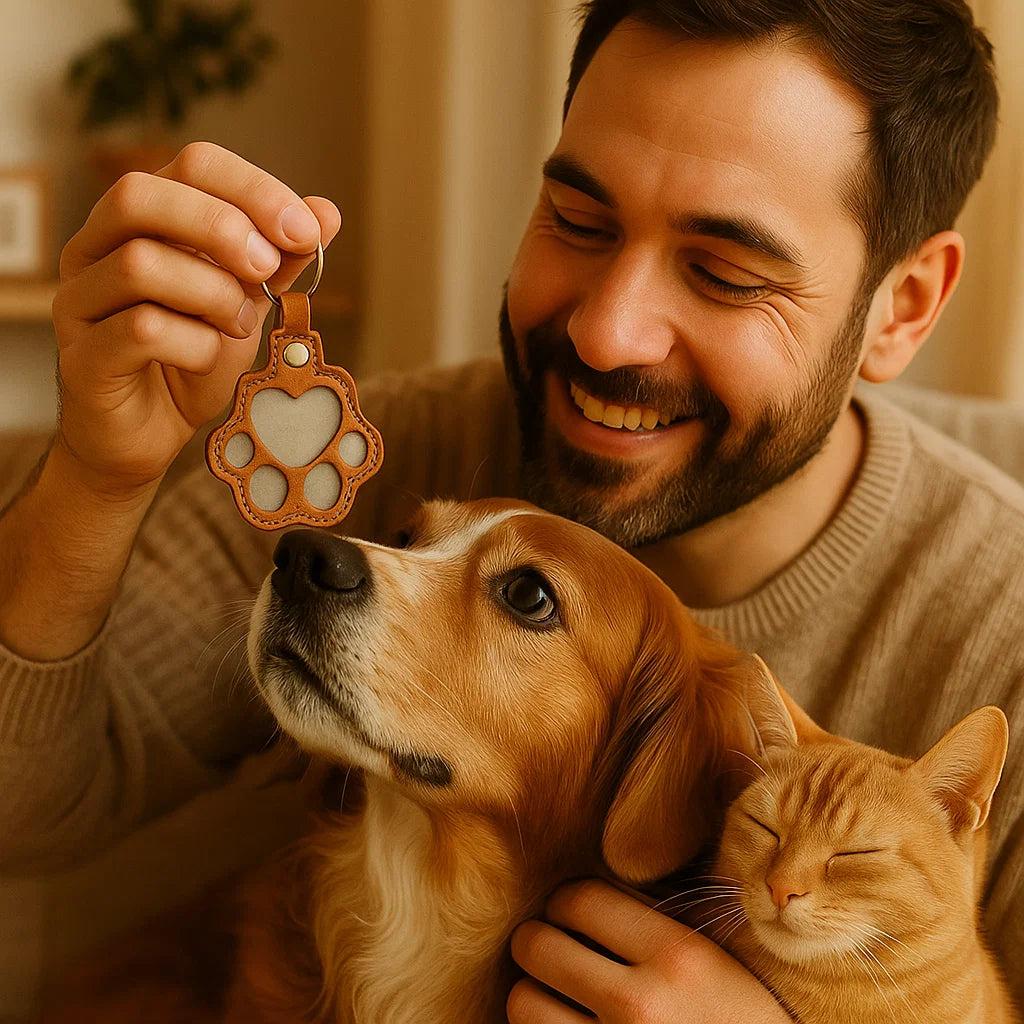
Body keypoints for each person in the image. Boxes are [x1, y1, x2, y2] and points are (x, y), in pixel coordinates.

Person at [0, 0, 1021, 1019]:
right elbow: (22, 808)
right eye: (577, 220)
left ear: (904, 306)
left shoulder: (1002, 630)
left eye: (725, 272)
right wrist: (100, 469)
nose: (608, 330)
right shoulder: (357, 454)